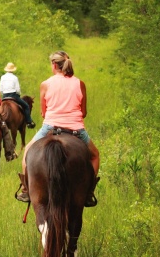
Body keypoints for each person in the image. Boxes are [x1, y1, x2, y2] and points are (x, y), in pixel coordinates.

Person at [15, 51, 100, 207]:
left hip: (50, 127)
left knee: (27, 153)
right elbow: (84, 113)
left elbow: (43, 112)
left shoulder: (45, 84)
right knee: (95, 156)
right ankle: (89, 191)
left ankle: (27, 189)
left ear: (54, 65)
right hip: (76, 129)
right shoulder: (80, 83)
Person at [0, 62, 35, 128]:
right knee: (26, 106)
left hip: (4, 96)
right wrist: (18, 95)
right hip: (13, 96)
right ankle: (29, 121)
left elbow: (1, 89)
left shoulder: (2, 77)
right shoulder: (15, 77)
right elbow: (18, 89)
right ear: (13, 70)